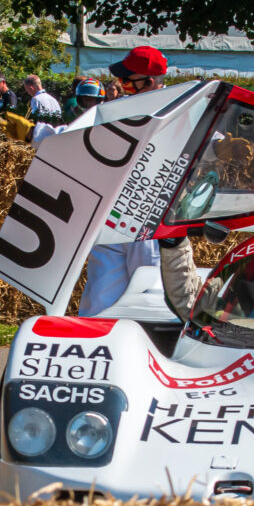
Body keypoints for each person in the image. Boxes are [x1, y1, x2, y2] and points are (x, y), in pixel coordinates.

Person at [79, 46, 169, 317]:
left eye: (128, 81)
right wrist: (37, 134)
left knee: (150, 297)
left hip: (149, 219)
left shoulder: (179, 111)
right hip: (114, 212)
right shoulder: (119, 110)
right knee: (97, 305)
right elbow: (81, 135)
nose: (122, 85)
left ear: (150, 82)